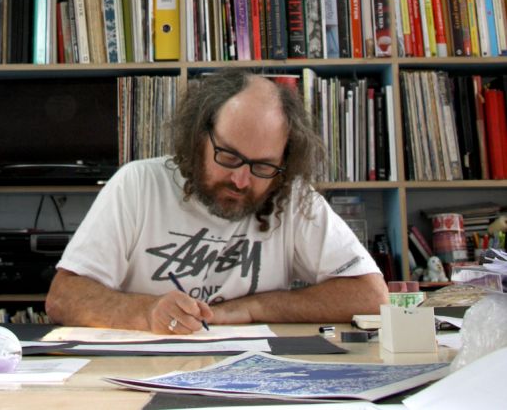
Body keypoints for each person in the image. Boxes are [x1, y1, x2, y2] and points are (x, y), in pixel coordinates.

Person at [45, 69, 389, 334]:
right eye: (228, 156)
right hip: (145, 370)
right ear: (199, 138)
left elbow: (371, 296)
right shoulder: (137, 185)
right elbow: (64, 297)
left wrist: (250, 308)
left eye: (263, 166)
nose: (241, 180)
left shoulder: (291, 196)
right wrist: (147, 313)